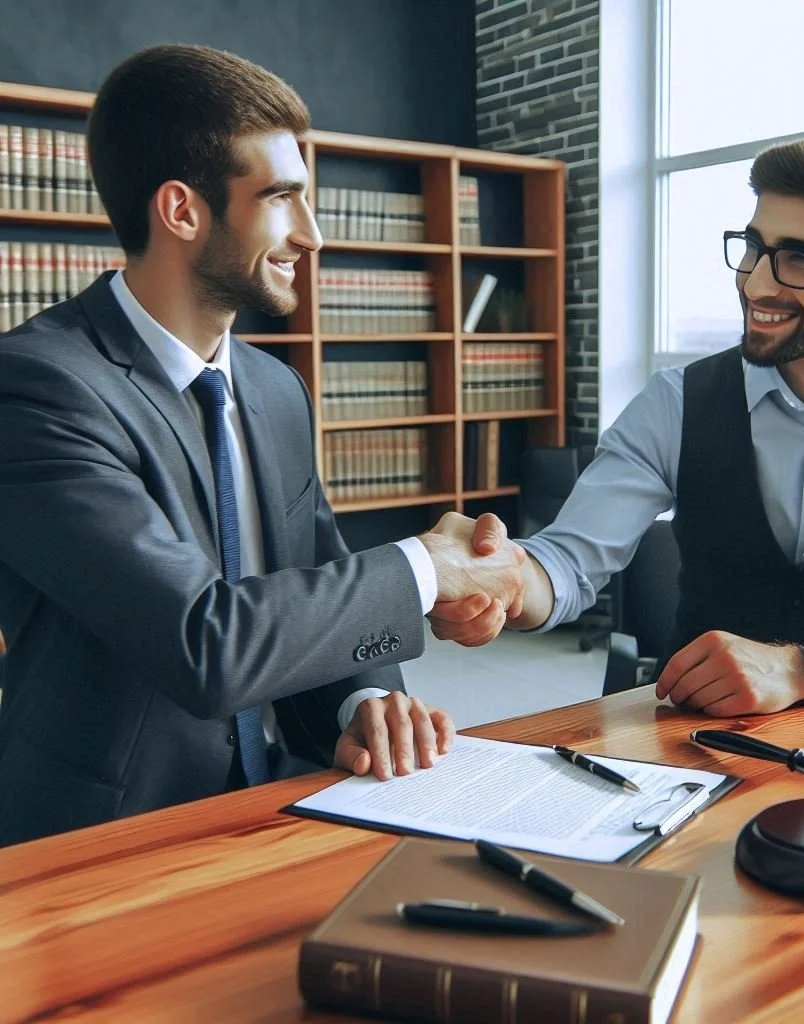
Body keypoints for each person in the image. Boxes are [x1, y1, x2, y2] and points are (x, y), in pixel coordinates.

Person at [0, 45, 524, 847]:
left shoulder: (277, 391)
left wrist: (362, 703)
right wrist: (431, 565)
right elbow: (205, 641)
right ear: (182, 211)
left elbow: (314, 580)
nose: (310, 235)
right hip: (98, 839)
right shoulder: (38, 388)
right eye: (282, 198)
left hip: (278, 795)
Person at [434, 134, 804, 717]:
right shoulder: (675, 402)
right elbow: (567, 562)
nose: (755, 282)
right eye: (752, 246)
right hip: (694, 741)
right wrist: (505, 577)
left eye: (799, 259)